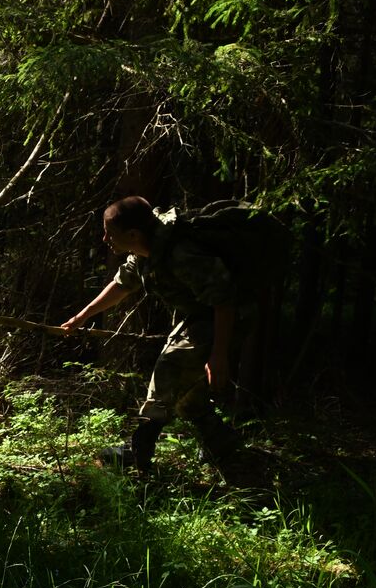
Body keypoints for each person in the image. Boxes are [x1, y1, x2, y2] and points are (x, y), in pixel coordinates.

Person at [61, 195, 241, 471]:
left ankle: (138, 452)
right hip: (202, 316)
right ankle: (222, 443)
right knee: (185, 393)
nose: (104, 240)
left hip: (226, 315)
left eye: (110, 234)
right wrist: (82, 316)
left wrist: (219, 356)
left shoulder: (182, 255)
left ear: (133, 234)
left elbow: (225, 301)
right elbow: (122, 285)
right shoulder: (144, 253)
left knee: (169, 369)